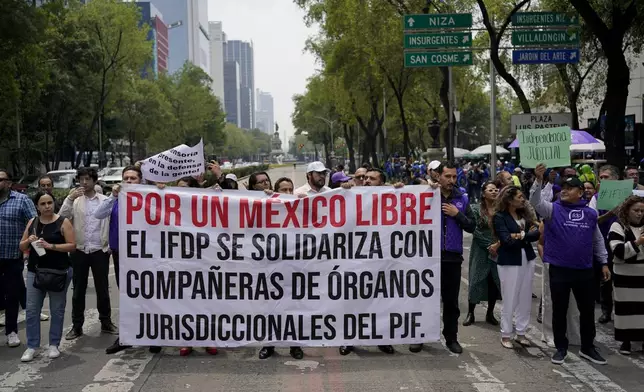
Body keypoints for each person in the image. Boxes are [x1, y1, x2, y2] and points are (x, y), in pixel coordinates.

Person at [530, 164, 610, 365]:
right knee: (559, 310)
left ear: (581, 193)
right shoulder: (552, 210)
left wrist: (604, 263)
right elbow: (535, 201)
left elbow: (597, 240)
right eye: (562, 187)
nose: (564, 190)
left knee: (587, 311)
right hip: (559, 270)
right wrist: (539, 180)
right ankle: (561, 348)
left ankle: (587, 347)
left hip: (584, 270)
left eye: (570, 188)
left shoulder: (590, 214)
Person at [410, 162, 475, 354]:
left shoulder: (461, 198)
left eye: (454, 177)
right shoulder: (427, 195)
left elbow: (472, 226)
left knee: (451, 302)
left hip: (452, 258)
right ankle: (418, 337)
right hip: (428, 257)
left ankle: (451, 337)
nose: (451, 180)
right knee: (423, 299)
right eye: (448, 176)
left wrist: (457, 215)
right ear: (438, 176)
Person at [59, 167, 117, 340]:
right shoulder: (75, 200)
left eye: (87, 179)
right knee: (78, 290)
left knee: (102, 289)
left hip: (100, 249)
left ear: (94, 180)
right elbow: (62, 216)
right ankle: (77, 326)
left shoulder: (104, 200)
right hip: (80, 250)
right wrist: (69, 198)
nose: (84, 183)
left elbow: (113, 220)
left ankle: (106, 322)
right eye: (81, 179)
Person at [18, 192, 75, 362]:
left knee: (57, 310)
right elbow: (22, 246)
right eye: (43, 204)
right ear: (37, 206)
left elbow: (72, 246)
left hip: (58, 272)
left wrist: (51, 246)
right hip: (35, 271)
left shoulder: (62, 221)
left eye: (49, 202)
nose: (47, 206)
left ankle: (54, 344)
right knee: (32, 310)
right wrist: (29, 241)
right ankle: (32, 346)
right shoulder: (32, 222)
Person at [94, 166, 142, 354]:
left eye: (133, 178)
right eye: (126, 178)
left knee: (146, 295)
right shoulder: (116, 199)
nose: (129, 181)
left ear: (141, 181)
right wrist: (113, 196)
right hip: (120, 253)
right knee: (126, 296)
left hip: (142, 254)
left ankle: (153, 336)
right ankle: (127, 336)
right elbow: (98, 214)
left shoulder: (149, 198)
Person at [493, 186, 539, 349]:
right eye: (519, 196)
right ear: (509, 199)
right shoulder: (499, 217)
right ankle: (506, 333)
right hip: (509, 260)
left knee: (525, 297)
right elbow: (506, 240)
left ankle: (521, 332)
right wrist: (524, 236)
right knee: (510, 297)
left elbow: (537, 233)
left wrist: (520, 235)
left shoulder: (524, 215)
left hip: (527, 258)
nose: (523, 199)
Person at [0, 169, 37, 348]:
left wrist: (32, 251)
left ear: (8, 183)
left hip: (12, 257)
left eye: (0, 180)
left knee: (12, 296)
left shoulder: (22, 200)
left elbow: (34, 225)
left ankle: (11, 331)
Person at [607, 195, 644, 355]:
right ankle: (626, 341)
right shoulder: (618, 226)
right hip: (624, 274)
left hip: (642, 274)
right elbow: (618, 251)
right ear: (627, 210)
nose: (639, 214)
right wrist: (637, 243)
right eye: (636, 210)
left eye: (642, 211)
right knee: (626, 308)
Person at [463, 181, 500, 327]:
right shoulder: (475, 209)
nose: (494, 192)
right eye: (490, 190)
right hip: (480, 250)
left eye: (496, 189)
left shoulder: (501, 210)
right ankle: (471, 313)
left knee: (494, 282)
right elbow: (474, 229)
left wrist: (497, 245)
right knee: (476, 280)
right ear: (483, 193)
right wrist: (488, 245)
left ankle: (490, 313)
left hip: (497, 249)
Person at [589, 165, 620, 324]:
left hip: (624, 243)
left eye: (606, 177)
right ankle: (606, 311)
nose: (602, 180)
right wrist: (609, 214)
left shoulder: (628, 196)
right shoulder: (596, 197)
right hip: (605, 243)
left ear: (615, 179)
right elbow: (592, 220)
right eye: (601, 177)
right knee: (606, 279)